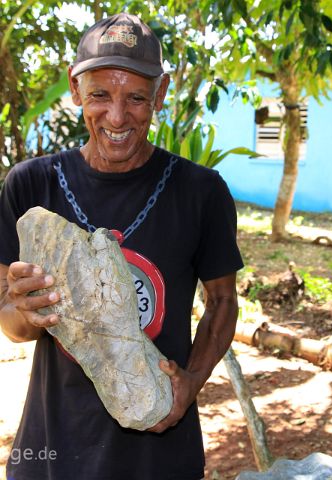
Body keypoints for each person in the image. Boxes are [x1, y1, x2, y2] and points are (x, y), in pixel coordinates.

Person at [0, 13, 243, 480]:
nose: (116, 116)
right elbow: (9, 323)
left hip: (160, 452)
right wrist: (24, 311)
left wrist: (191, 382)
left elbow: (223, 300)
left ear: (161, 93)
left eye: (135, 97)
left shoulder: (201, 192)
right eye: (99, 96)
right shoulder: (31, 186)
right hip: (52, 453)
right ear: (75, 91)